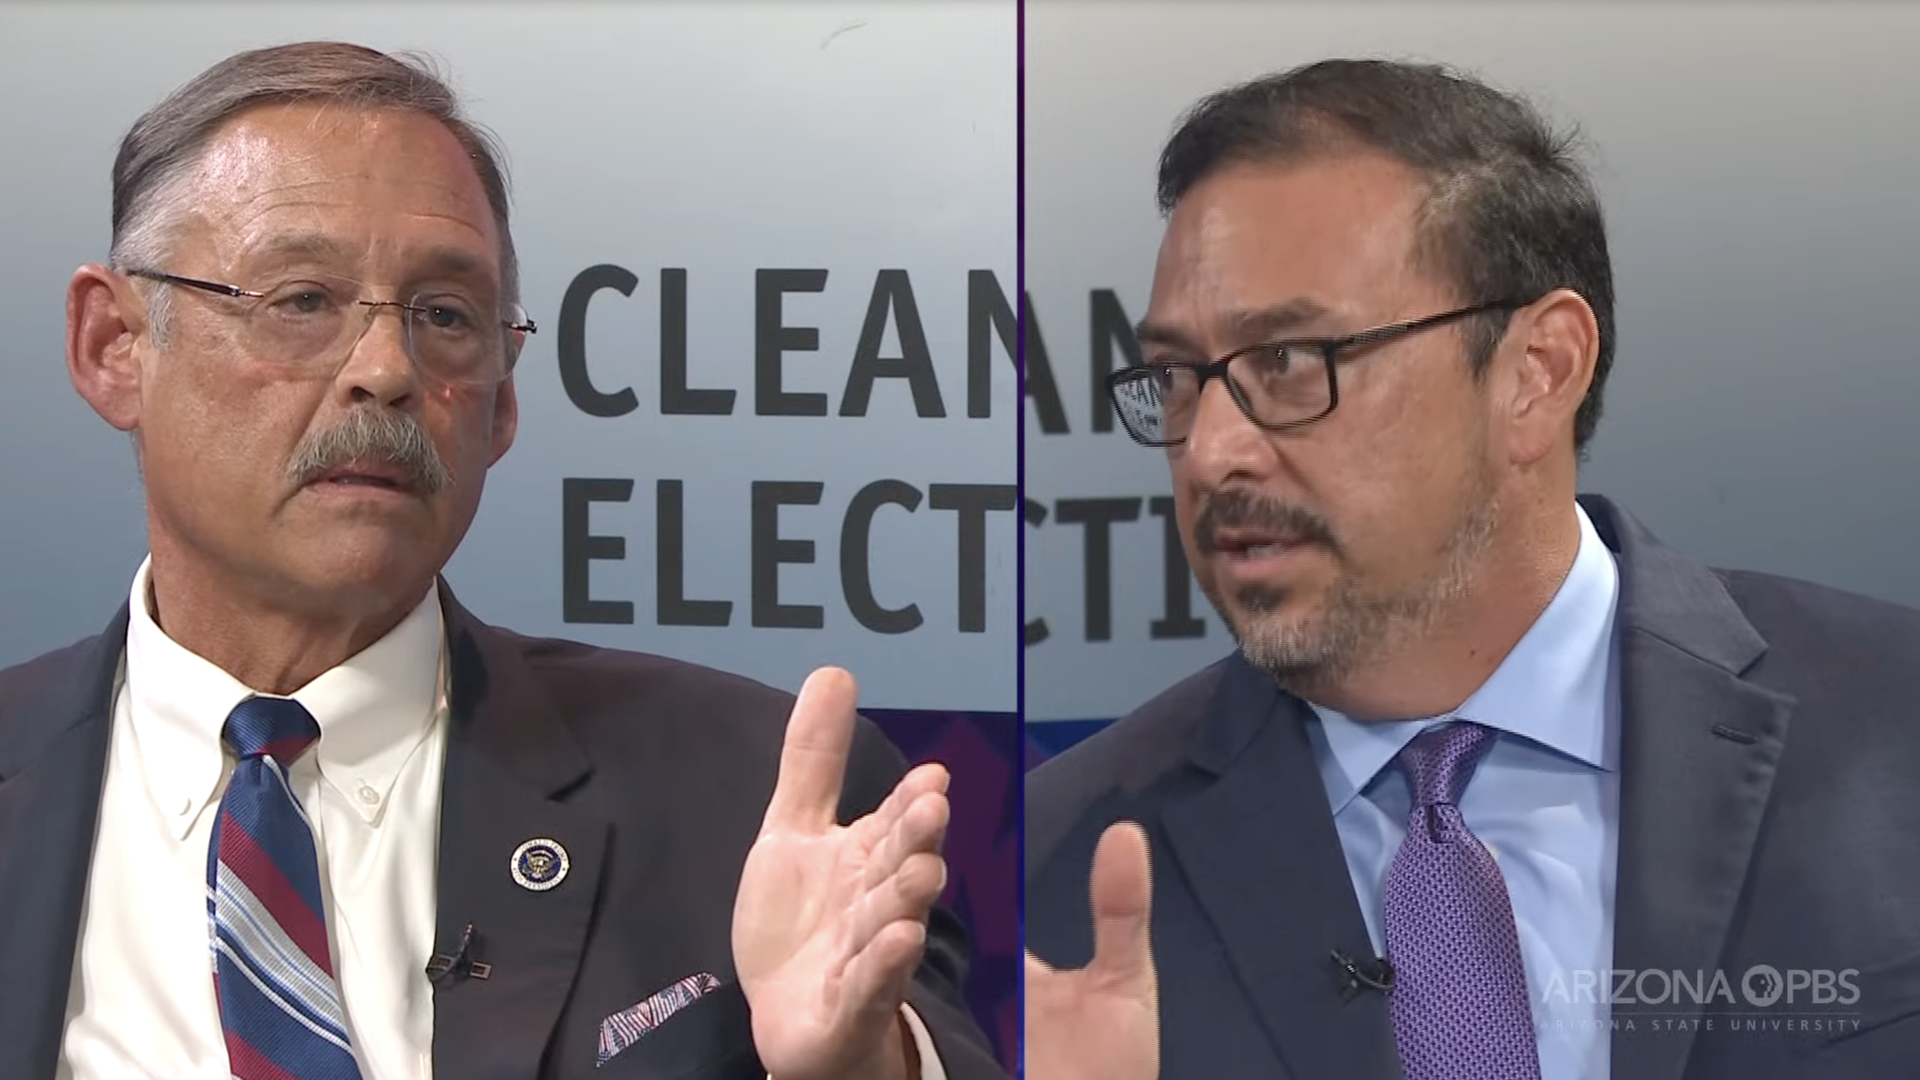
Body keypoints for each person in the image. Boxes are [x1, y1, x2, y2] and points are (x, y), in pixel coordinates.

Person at [0, 42, 1004, 1080]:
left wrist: (860, 1069)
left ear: (502, 402)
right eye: (302, 300)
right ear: (113, 344)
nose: (387, 371)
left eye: (445, 317)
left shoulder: (746, 796)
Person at [1024, 58, 1920, 1080]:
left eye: (1287, 361)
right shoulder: (1069, 864)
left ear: (1538, 373)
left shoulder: (1896, 725)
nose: (1213, 450)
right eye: (1183, 378)